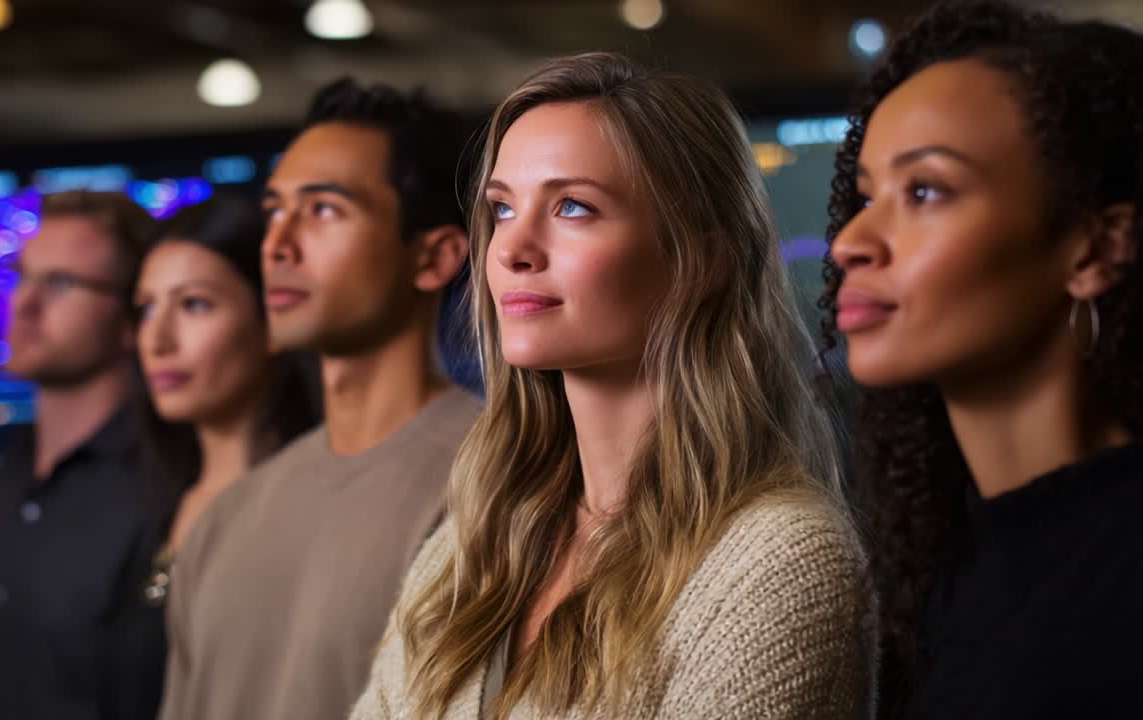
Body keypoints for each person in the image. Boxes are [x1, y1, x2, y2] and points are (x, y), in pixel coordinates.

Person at [353, 52, 868, 720]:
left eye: (572, 206)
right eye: (502, 209)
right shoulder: (474, 546)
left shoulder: (780, 561)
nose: (513, 249)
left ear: (702, 261)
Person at [824, 2, 1143, 717]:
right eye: (869, 195)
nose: (852, 241)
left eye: (926, 190)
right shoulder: (943, 566)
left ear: (1095, 248)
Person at [157, 79, 481, 720]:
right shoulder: (228, 518)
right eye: (275, 210)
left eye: (324, 209)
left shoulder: (499, 482)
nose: (277, 244)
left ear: (435, 256)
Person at [0, 190, 166, 720]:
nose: (24, 304)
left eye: (61, 283)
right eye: (23, 275)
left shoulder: (162, 492)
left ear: (130, 319)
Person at [109, 193, 320, 718]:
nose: (156, 339)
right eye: (146, 308)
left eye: (194, 304)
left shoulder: (310, 509)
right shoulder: (146, 499)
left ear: (273, 319)